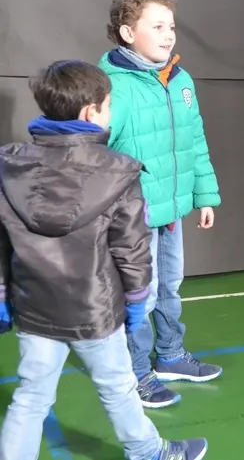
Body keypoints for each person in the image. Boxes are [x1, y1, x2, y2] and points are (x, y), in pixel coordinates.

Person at [0, 60, 209, 460]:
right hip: (94, 311)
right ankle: (149, 452)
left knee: (29, 397)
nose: (111, 112)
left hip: (33, 307)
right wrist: (136, 303)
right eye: (109, 105)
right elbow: (131, 250)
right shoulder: (119, 172)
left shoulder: (9, 164)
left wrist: (2, 295)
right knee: (118, 387)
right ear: (90, 112)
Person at [98, 0, 223, 409]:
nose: (168, 34)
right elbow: (93, 153)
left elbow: (194, 141)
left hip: (172, 211)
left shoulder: (179, 80)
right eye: (157, 26)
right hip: (133, 217)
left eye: (171, 26)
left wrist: (204, 195)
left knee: (170, 286)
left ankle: (170, 355)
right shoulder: (111, 87)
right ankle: (135, 373)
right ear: (127, 33)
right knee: (140, 294)